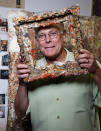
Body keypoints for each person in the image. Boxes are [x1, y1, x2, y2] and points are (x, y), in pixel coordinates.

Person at [15, 23, 101, 131]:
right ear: (37, 40)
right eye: (42, 36)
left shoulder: (88, 64)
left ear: (64, 36)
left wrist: (97, 71)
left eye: (53, 34)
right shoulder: (30, 70)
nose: (47, 40)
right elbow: (20, 113)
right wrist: (22, 82)